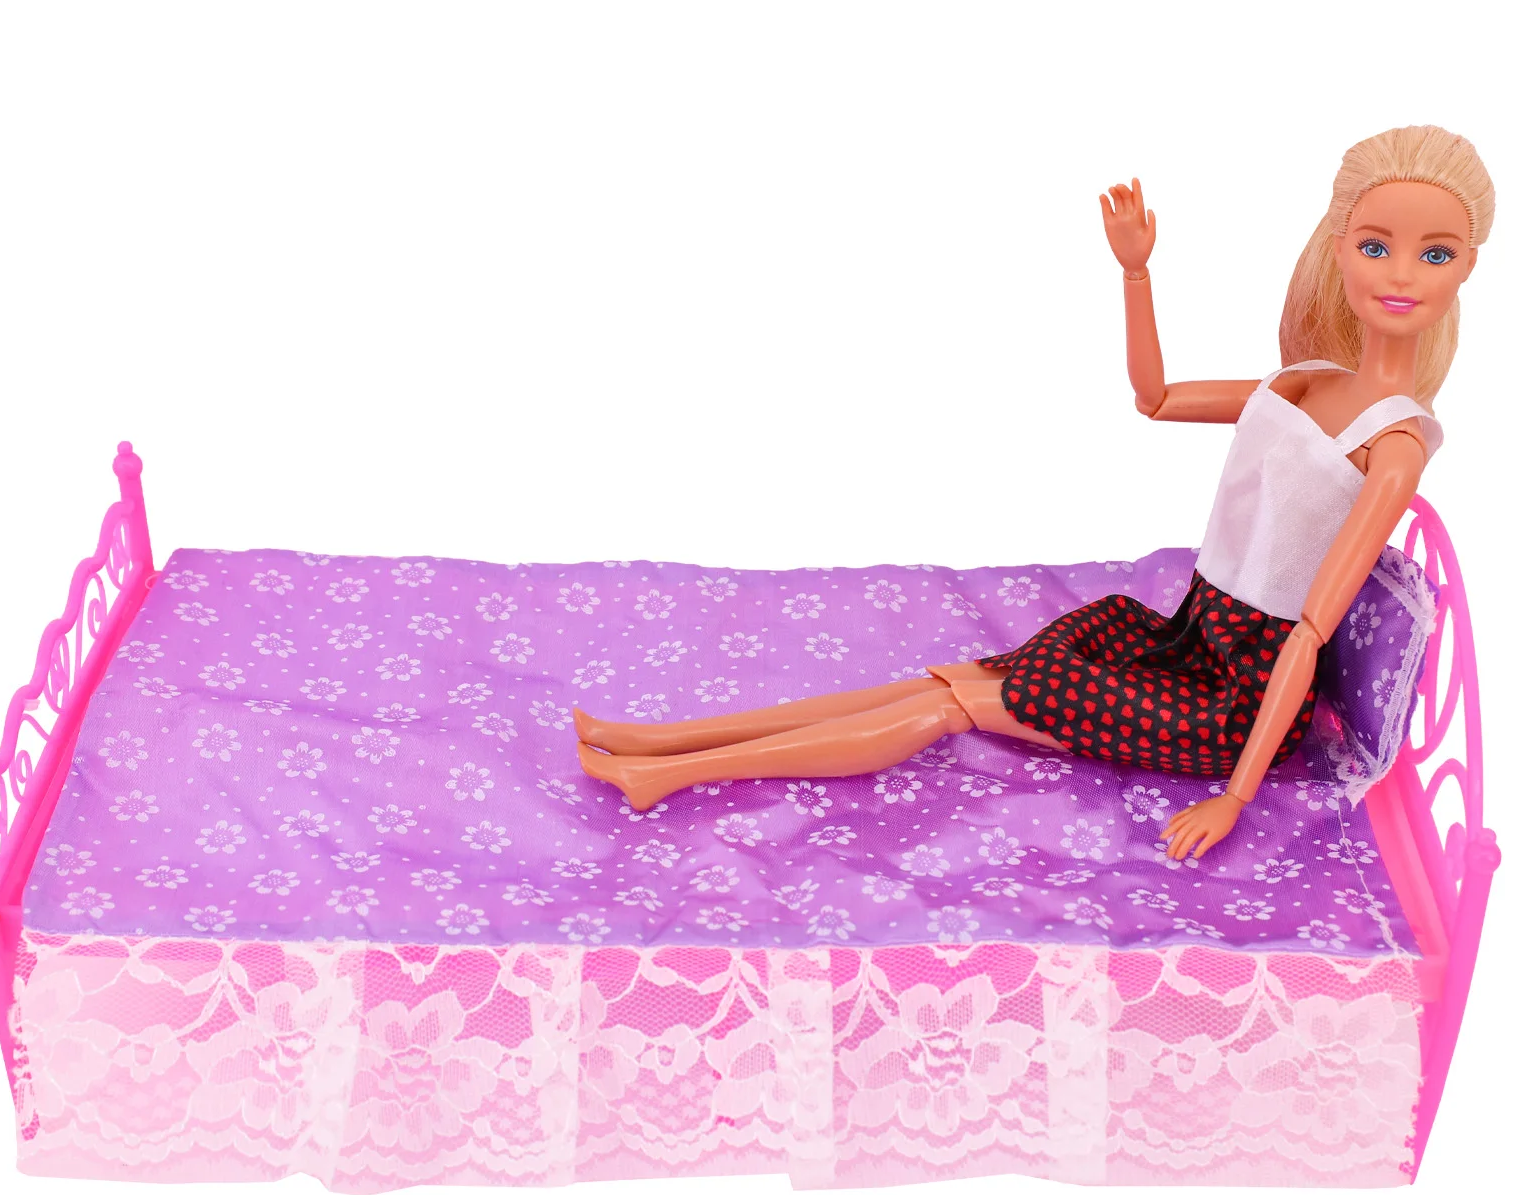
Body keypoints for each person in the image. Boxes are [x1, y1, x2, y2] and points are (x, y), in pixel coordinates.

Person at [576, 125, 1493, 858]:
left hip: (1236, 701)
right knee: (948, 680)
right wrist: (1136, 273)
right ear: (1339, 248)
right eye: (1377, 246)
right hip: (1187, 638)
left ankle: (673, 773)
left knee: (951, 706)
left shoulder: (1395, 445)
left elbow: (1308, 633)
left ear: (1468, 266)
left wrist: (1237, 796)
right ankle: (661, 743)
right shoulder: (1305, 381)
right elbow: (1155, 398)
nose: (1401, 274)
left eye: (1436, 253)